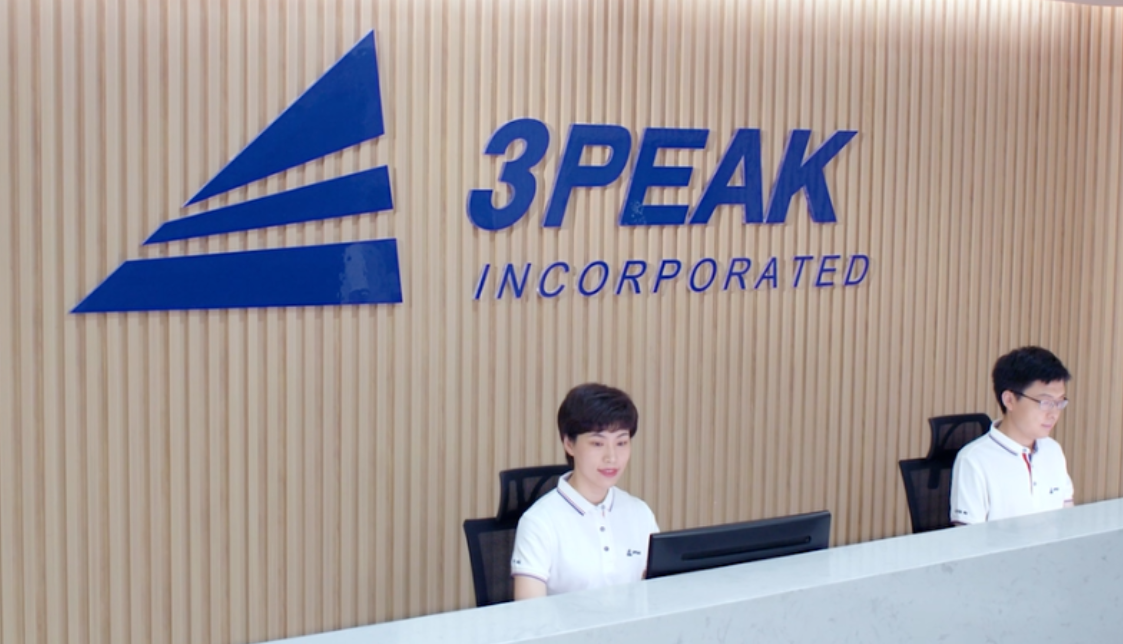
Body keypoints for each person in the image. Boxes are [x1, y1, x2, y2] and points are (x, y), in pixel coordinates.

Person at [510, 383, 659, 599]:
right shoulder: (539, 523)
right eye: (597, 444)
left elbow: (658, 597)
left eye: (621, 442)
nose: (612, 457)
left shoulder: (640, 513)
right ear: (569, 444)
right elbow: (530, 615)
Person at [950, 346, 1075, 525]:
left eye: (1060, 402)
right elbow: (969, 539)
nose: (1054, 414)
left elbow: (1068, 522)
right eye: (1046, 402)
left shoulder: (1052, 450)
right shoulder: (973, 460)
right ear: (1009, 400)